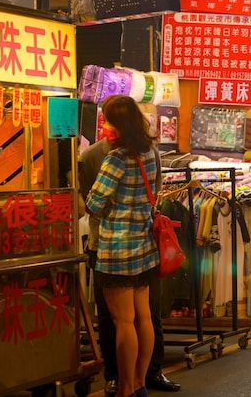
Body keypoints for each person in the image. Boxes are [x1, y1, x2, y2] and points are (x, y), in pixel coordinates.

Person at [78, 112, 180, 396]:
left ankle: (125, 387)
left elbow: (94, 204)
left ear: (119, 125)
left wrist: (105, 199)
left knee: (122, 321)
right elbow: (155, 190)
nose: (105, 126)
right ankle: (139, 382)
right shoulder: (148, 153)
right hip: (144, 246)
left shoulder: (115, 158)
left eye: (109, 121)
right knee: (144, 317)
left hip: (117, 248)